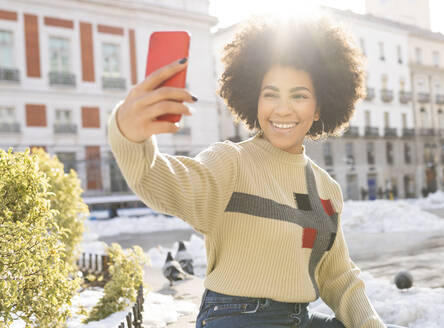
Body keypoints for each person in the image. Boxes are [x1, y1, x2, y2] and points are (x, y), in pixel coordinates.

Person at [108, 13, 405, 328]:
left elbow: (338, 276)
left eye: (299, 96)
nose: (282, 108)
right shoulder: (231, 162)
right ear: (254, 99)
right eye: (270, 94)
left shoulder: (326, 189)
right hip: (235, 317)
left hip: (298, 318)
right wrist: (129, 134)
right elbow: (162, 182)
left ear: (319, 107)